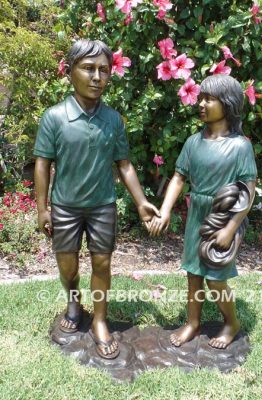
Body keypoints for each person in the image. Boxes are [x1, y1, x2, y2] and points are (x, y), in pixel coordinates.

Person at [34, 39, 160, 359]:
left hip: (102, 205)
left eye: (104, 70)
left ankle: (100, 320)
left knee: (102, 263)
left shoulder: (113, 120)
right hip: (65, 206)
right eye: (88, 68)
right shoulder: (54, 117)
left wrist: (141, 201)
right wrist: (42, 208)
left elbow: (124, 164)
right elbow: (43, 164)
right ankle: (74, 303)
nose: (96, 77)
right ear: (70, 71)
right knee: (67, 266)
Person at [149, 74, 257, 349]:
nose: (202, 104)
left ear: (228, 104)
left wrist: (230, 228)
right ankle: (193, 322)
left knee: (216, 279)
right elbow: (178, 178)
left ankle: (231, 323)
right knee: (194, 274)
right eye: (200, 98)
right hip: (197, 215)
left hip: (223, 217)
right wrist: (164, 211)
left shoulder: (240, 146)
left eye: (210, 99)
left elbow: (248, 191)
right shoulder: (193, 143)